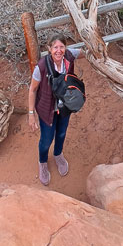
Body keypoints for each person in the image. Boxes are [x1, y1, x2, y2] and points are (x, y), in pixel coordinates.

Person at [28, 34, 82, 186]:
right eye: (55, 47)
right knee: (46, 140)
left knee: (61, 133)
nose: (59, 51)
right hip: (47, 109)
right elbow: (32, 90)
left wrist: (98, 50)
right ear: (49, 49)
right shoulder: (41, 67)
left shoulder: (69, 56)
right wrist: (31, 114)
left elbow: (84, 52)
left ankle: (58, 154)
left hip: (65, 106)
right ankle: (42, 162)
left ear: (65, 48)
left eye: (61, 47)